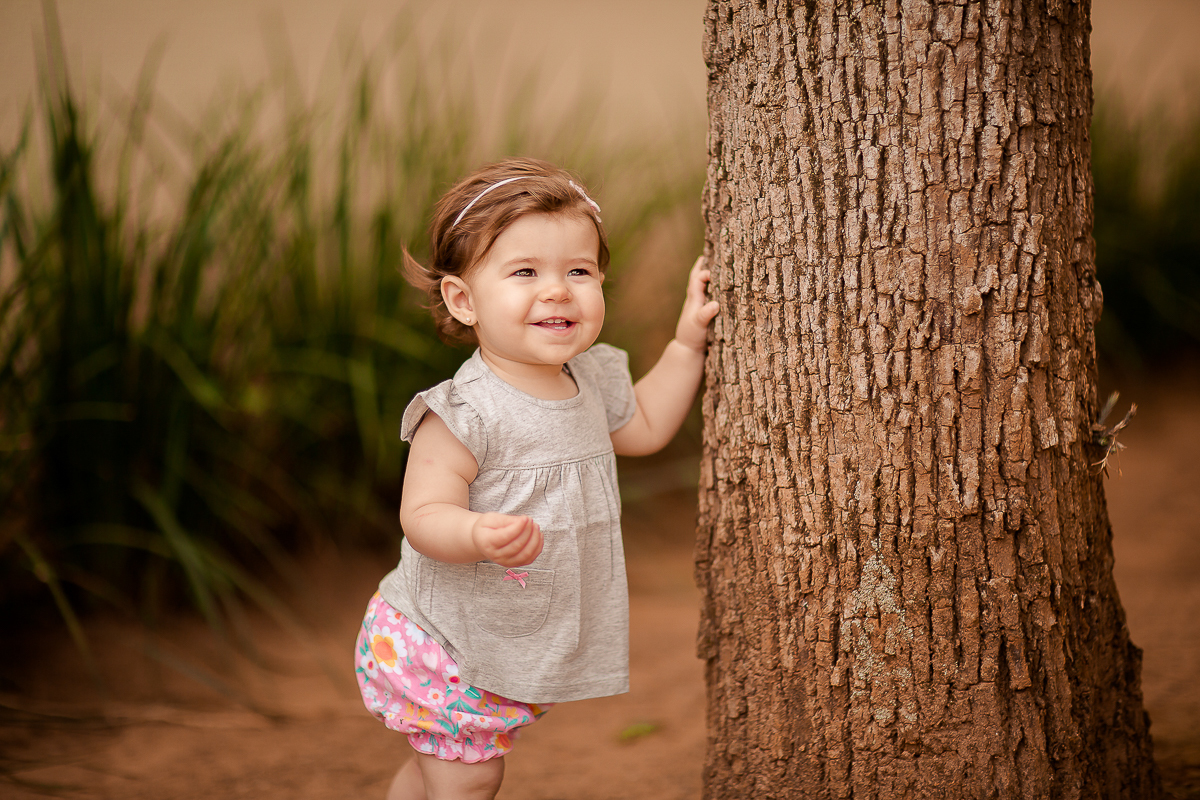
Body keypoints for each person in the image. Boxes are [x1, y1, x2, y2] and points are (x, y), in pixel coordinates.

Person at [354, 156, 718, 800]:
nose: (558, 290)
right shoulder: (465, 412)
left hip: (504, 635)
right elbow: (423, 513)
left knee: (441, 769)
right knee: (470, 778)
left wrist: (688, 343)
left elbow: (647, 425)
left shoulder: (590, 378)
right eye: (525, 272)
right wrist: (474, 533)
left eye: (579, 271)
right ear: (463, 299)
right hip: (445, 642)